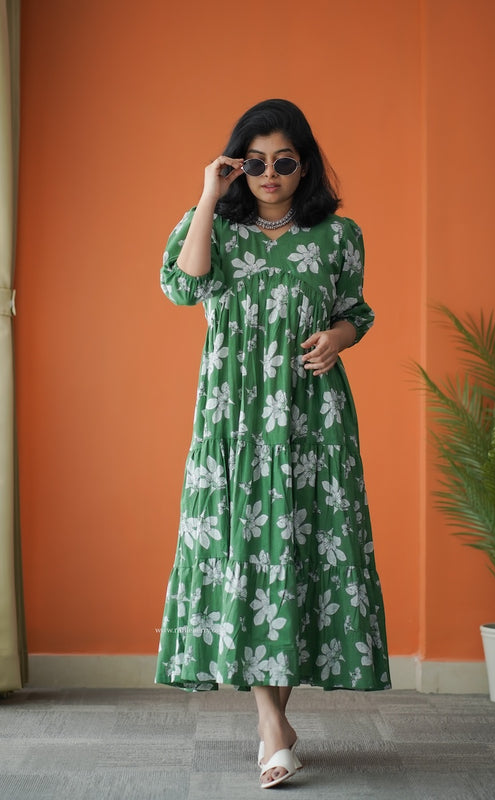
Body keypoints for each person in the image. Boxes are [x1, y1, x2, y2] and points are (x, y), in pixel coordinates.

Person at [155, 98, 390, 788]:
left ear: (304, 166)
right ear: (236, 166)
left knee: (295, 555)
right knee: (249, 556)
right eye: (253, 163)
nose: (269, 174)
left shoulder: (338, 236)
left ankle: (273, 729)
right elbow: (183, 287)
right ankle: (272, 727)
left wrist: (336, 338)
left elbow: (355, 312)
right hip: (233, 420)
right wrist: (208, 195)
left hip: (311, 415)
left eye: (284, 162)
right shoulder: (213, 229)